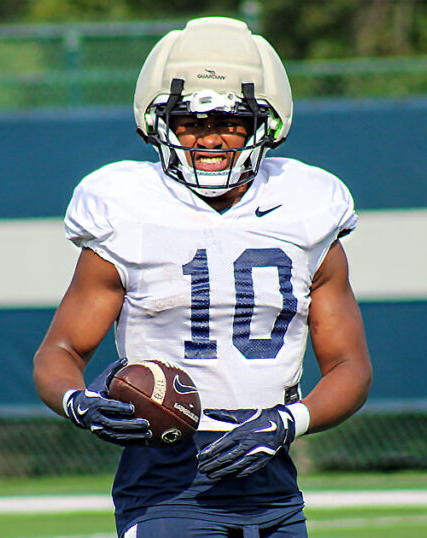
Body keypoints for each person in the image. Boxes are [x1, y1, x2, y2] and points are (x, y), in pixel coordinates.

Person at [33, 16, 372, 537]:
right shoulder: (126, 206)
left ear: (265, 124)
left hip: (272, 476)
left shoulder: (307, 206)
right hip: (165, 477)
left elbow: (351, 366)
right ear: (160, 125)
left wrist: (288, 421)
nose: (209, 138)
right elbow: (60, 352)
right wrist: (81, 404)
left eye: (229, 121)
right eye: (190, 121)